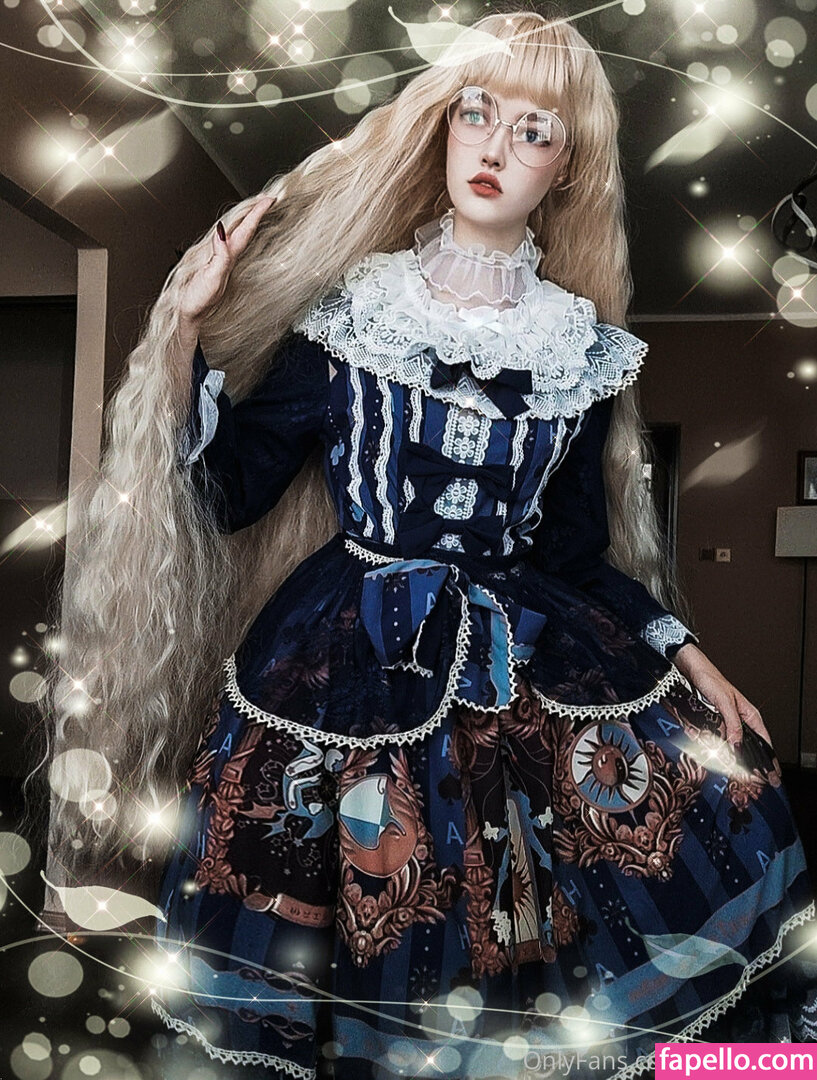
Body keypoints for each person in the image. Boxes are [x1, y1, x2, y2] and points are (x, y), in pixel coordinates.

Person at [30, 6, 817, 1080]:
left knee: (606, 880)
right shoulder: (352, 316)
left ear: (566, 168)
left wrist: (692, 658)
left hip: (529, 662)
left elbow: (575, 553)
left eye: (533, 131)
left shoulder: (577, 351)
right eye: (475, 113)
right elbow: (226, 493)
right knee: (355, 918)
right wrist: (183, 336)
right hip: (336, 663)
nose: (494, 147)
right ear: (442, 127)